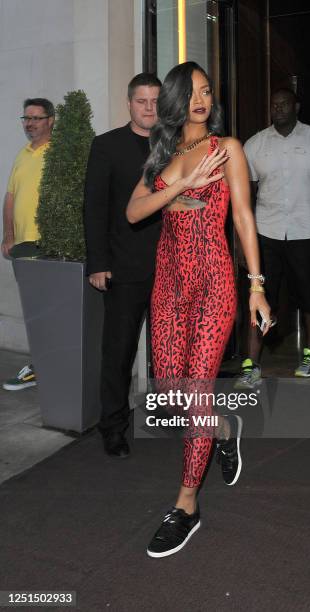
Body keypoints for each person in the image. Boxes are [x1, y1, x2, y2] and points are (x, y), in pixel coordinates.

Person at [127, 62, 272, 558]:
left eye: (207, 90)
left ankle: (186, 505)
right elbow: (133, 211)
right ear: (174, 100)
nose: (201, 99)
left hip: (212, 281)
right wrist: (175, 191)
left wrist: (255, 285)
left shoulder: (226, 149)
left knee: (195, 393)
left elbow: (244, 216)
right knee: (172, 389)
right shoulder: (162, 153)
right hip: (168, 283)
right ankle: (227, 428)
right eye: (190, 93)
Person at [235, 87, 310, 386]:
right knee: (260, 295)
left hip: (307, 231)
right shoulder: (255, 145)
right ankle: (252, 364)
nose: (279, 109)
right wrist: (240, 239)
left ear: (297, 106)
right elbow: (245, 196)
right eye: (274, 105)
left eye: (285, 104)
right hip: (266, 233)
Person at [84, 73, 162, 458]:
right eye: (141, 101)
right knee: (118, 353)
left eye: (154, 101)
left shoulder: (176, 145)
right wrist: (98, 263)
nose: (149, 108)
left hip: (170, 268)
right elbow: (94, 208)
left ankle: (171, 416)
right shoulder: (107, 146)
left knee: (170, 350)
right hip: (123, 268)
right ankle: (112, 427)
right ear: (129, 103)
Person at [2, 98, 55, 391]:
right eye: (26, 118)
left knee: (48, 310)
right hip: (22, 249)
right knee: (34, 309)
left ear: (51, 120)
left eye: (36, 118)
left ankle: (44, 367)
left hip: (47, 249)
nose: (30, 123)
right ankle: (40, 366)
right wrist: (8, 236)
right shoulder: (22, 155)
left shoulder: (58, 153)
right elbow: (10, 197)